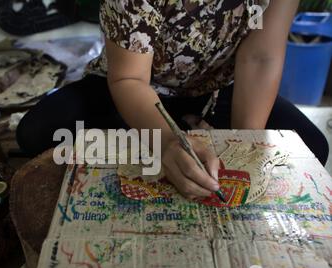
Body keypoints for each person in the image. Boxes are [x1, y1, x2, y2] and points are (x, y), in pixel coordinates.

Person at [17, 0, 329, 200]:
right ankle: (175, 135)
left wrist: (241, 144)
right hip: (134, 85)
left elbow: (261, 57)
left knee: (311, 148)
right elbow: (129, 79)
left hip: (217, 88)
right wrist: (167, 140)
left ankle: (180, 135)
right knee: (37, 131)